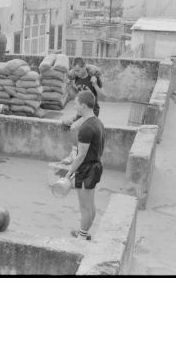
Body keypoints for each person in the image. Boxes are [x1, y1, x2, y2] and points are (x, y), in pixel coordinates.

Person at [66, 90, 105, 241]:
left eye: (76, 104)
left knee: (85, 207)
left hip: (87, 169)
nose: (75, 107)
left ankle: (81, 237)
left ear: (83, 105)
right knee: (90, 205)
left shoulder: (86, 128)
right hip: (95, 166)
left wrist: (69, 173)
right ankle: (84, 231)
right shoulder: (97, 122)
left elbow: (81, 155)